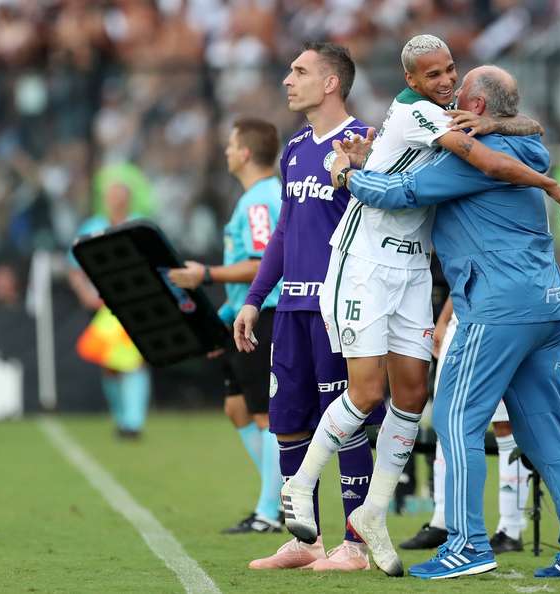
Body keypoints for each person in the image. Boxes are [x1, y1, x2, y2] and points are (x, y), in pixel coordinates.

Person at [278, 34, 560, 577]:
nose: (444, 82)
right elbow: (481, 159)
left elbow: (514, 129)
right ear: (411, 82)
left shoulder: (445, 112)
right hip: (363, 260)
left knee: (411, 398)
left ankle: (372, 516)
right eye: (432, 75)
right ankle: (298, 485)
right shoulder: (417, 112)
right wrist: (546, 182)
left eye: (450, 72)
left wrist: (499, 123)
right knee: (365, 393)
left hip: (413, 268)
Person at [333, 65, 560, 580]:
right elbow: (528, 130)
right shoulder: (529, 149)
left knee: (456, 422)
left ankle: (467, 545)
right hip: (549, 304)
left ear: (477, 108)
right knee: (547, 437)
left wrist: (349, 173)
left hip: (498, 309)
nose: (451, 103)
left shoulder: (468, 160)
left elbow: (399, 194)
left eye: (459, 95)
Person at [232, 42, 383, 572]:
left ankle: (357, 545)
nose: (287, 80)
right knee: (289, 421)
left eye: (299, 71)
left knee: (347, 422)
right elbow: (284, 234)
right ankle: (305, 539)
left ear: (331, 83)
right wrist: (255, 299)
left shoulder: (364, 143)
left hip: (338, 311)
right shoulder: (295, 148)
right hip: (291, 311)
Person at [168, 118, 284, 534]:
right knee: (237, 408)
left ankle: (271, 511)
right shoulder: (256, 197)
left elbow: (259, 265)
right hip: (243, 315)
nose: (227, 151)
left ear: (246, 153)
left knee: (265, 415)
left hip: (267, 314)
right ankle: (282, 492)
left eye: (232, 145)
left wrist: (208, 275)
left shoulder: (258, 201)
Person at [400, 297, 533, 554]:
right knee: (445, 421)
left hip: (504, 319)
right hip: (460, 323)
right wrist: (444, 319)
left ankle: (510, 529)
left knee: (505, 426)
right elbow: (463, 271)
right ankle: (441, 521)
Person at [68, 181, 151, 439]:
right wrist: (85, 295)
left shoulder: (140, 225)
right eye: (110, 196)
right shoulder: (92, 227)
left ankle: (133, 422)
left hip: (135, 304)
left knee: (136, 360)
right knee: (110, 363)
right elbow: (74, 268)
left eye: (119, 195)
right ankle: (121, 416)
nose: (115, 200)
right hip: (104, 308)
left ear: (128, 198)